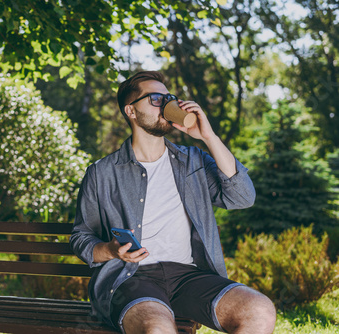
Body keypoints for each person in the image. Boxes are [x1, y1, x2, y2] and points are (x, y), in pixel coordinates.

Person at [70, 71, 276, 334]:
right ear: (131, 111)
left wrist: (208, 137)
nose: (167, 104)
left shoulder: (193, 160)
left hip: (189, 276)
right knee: (157, 329)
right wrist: (112, 251)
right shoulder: (102, 172)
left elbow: (243, 197)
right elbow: (81, 236)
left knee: (259, 311)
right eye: (156, 99)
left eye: (169, 98)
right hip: (131, 279)